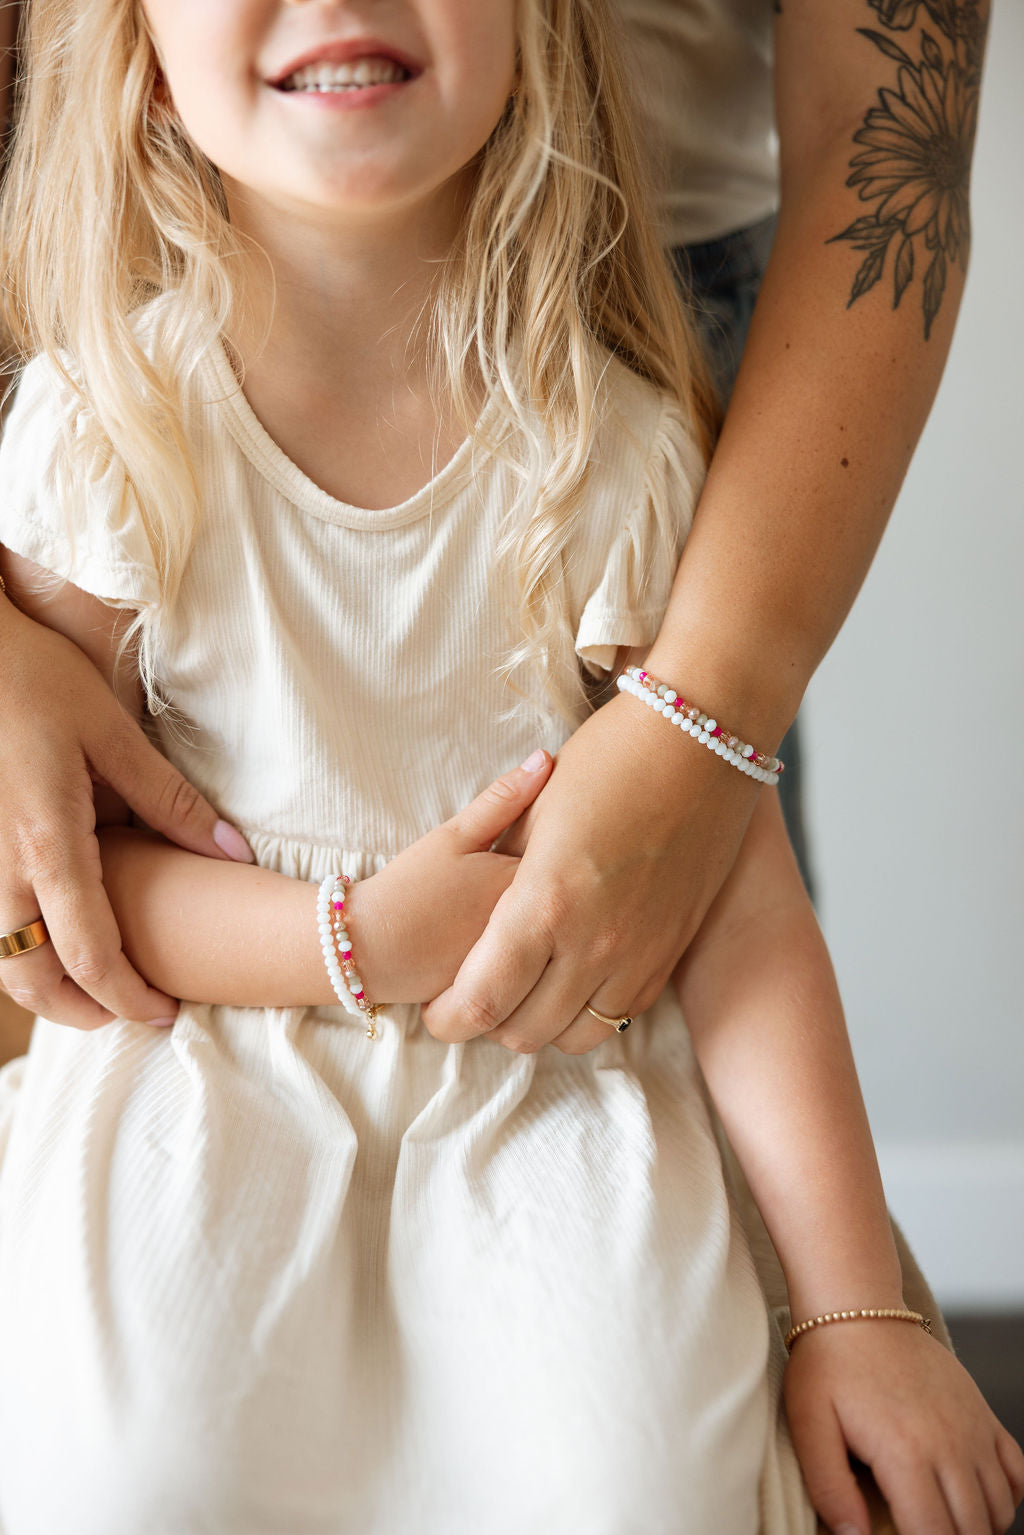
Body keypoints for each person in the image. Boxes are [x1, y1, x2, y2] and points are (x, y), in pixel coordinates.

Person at [1, 2, 1022, 1533]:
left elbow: (739, 907)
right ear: (133, 52)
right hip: (206, 1080)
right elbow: (76, 890)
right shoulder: (112, 438)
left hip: (549, 1093)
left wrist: (857, 1312)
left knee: (642, 1479)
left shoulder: (609, 457)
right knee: (132, 1474)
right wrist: (350, 948)